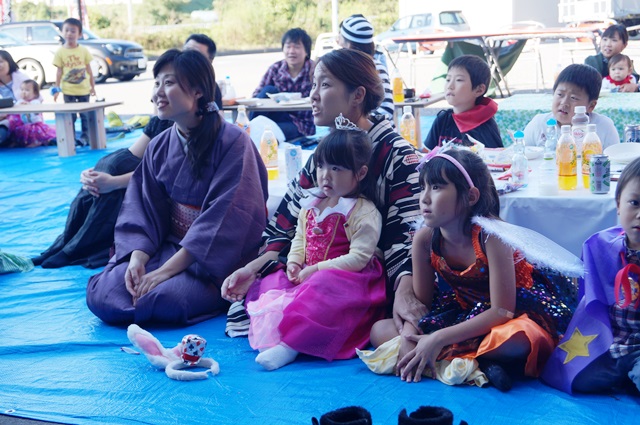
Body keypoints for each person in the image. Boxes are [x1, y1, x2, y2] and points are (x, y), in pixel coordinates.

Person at [222, 48, 422, 338]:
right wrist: (253, 269)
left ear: (358, 95)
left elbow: (407, 238)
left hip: (365, 280)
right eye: (313, 84)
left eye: (325, 85)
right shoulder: (323, 155)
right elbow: (287, 224)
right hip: (315, 272)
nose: (313, 95)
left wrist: (404, 293)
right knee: (255, 298)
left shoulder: (399, 156)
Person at [86, 49, 268, 325]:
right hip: (167, 246)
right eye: (156, 83)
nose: (157, 93)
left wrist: (164, 273)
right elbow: (142, 208)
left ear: (197, 91)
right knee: (104, 293)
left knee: (161, 299)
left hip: (212, 259)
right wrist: (137, 258)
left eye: (168, 82)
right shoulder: (159, 145)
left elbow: (226, 220)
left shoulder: (234, 143)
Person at [369, 148, 577, 391]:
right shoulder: (424, 239)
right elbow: (421, 305)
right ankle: (480, 361)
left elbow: (502, 311)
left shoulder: (491, 237)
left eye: (436, 187)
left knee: (516, 339)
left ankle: (448, 355)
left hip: (512, 314)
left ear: (470, 196)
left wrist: (437, 338)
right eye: (422, 187)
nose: (424, 198)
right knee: (379, 331)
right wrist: (408, 336)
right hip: (466, 312)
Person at [235, 127, 387, 370]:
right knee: (273, 281)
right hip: (309, 271)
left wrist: (316, 269)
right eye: (321, 166)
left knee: (321, 288)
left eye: (336, 169)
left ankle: (290, 346)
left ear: (360, 173)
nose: (325, 175)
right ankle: (277, 335)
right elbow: (300, 238)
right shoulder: (311, 202)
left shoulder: (362, 212)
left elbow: (359, 258)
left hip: (347, 280)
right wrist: (295, 262)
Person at [542, 157, 640, 395]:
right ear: (618, 204)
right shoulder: (600, 246)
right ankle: (627, 375)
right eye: (634, 202)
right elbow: (588, 301)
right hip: (612, 342)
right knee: (578, 379)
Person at [31, 116, 173, 268]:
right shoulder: (162, 121)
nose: (156, 102)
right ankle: (66, 243)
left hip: (167, 196)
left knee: (114, 180)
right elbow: (129, 156)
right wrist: (94, 173)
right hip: (147, 181)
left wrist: (114, 182)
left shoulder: (188, 129)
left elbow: (165, 173)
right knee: (111, 167)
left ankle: (72, 249)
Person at [523, 64, 620, 149]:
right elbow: (524, 153)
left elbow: (615, 160)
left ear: (591, 106)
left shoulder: (604, 127)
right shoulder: (539, 124)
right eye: (560, 94)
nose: (564, 103)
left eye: (573, 98)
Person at [423, 55, 503, 151]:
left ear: (479, 90)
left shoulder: (485, 125)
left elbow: (496, 158)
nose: (450, 86)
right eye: (448, 79)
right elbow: (426, 153)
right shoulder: (443, 119)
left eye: (459, 80)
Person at [251, 28, 315, 141]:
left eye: (296, 47)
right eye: (288, 46)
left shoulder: (314, 69)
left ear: (306, 51)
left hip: (300, 123)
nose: (291, 51)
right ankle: (249, 127)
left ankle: (250, 132)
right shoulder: (275, 68)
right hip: (276, 116)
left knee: (264, 133)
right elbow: (257, 95)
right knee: (269, 89)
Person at [338, 14, 394, 121]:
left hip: (374, 130)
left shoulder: (375, 68)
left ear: (348, 45)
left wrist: (356, 124)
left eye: (340, 37)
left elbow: (386, 110)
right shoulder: (347, 68)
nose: (338, 42)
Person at [52, 17, 96, 146]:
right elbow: (59, 71)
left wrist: (92, 86)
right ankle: (70, 137)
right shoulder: (60, 52)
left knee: (85, 116)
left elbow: (89, 70)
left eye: (73, 31)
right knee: (70, 116)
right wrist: (56, 89)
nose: (69, 34)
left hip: (83, 89)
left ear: (79, 34)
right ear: (62, 32)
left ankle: (85, 137)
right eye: (66, 30)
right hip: (68, 90)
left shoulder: (83, 50)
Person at [585, 24, 639, 93]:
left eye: (614, 40)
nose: (608, 44)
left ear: (624, 45)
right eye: (605, 39)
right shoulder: (592, 61)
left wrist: (633, 86)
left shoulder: (625, 61)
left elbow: (634, 76)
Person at [0, 50, 37, 146]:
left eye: (1, 62)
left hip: (20, 119)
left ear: (9, 62)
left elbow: (37, 98)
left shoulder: (22, 79)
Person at [6, 79, 56, 148]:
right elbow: (14, 111)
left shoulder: (35, 102)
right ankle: (18, 142)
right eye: (22, 89)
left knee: (34, 131)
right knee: (16, 129)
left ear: (35, 93)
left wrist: (29, 105)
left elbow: (37, 112)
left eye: (27, 90)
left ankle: (36, 141)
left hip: (34, 124)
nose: (24, 92)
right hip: (23, 123)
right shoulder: (20, 101)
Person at [183, 33, 223, 109]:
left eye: (195, 55)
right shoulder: (166, 78)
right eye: (186, 51)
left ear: (209, 62)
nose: (187, 57)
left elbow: (217, 114)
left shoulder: (210, 86)